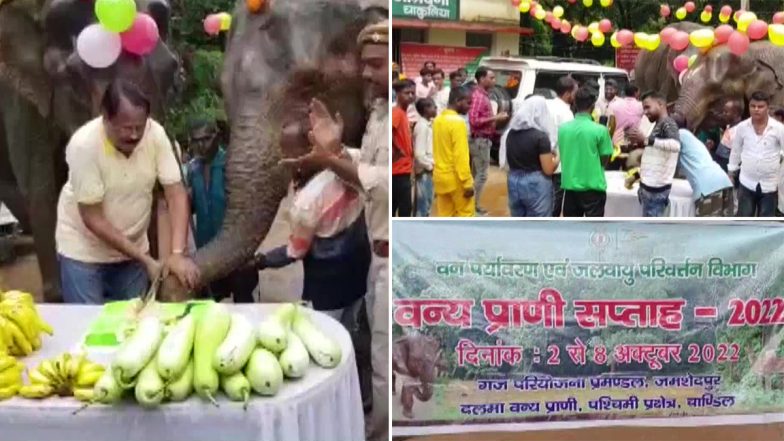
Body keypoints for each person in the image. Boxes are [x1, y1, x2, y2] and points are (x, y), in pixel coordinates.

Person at [279, 20, 390, 441]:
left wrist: (331, 159)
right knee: (370, 349)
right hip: (369, 262)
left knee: (377, 358)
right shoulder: (379, 113)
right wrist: (339, 151)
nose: (366, 73)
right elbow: (366, 166)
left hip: (382, 257)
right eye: (365, 64)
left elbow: (380, 178)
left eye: (376, 65)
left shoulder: (398, 114)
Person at [55, 80, 198, 303]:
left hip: (133, 251)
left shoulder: (155, 135)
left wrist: (177, 253)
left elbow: (175, 193)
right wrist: (146, 260)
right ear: (106, 118)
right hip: (84, 253)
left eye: (139, 127)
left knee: (134, 324)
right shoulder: (84, 146)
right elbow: (93, 218)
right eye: (126, 128)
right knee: (88, 327)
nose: (133, 135)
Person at [185, 119, 258, 303]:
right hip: (207, 251)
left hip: (233, 251)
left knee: (243, 303)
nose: (201, 145)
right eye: (196, 141)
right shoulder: (193, 169)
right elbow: (192, 207)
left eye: (206, 139)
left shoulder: (232, 165)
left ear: (217, 138)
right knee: (207, 305)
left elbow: (248, 210)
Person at [558, 87, 614, 217]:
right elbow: (604, 159)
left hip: (570, 189)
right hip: (593, 189)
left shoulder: (563, 129)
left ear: (575, 104)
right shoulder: (600, 130)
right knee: (593, 231)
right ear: (593, 106)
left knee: (572, 232)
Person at [500, 96, 559, 217]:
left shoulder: (511, 133)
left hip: (513, 180)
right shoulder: (541, 137)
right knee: (538, 226)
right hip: (535, 184)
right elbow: (548, 170)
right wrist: (558, 157)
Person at [729, 91, 784, 217]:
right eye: (753, 106)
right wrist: (731, 173)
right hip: (747, 182)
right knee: (744, 219)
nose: (756, 110)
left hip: (770, 185)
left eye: (760, 107)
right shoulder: (742, 127)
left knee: (766, 224)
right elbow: (736, 150)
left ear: (767, 108)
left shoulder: (778, 129)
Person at [626, 92, 681, 217]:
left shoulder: (668, 123)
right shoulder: (658, 124)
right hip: (648, 188)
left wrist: (646, 140)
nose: (645, 112)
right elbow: (654, 155)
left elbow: (676, 146)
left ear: (660, 104)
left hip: (656, 191)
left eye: (647, 107)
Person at [468, 67, 508, 215]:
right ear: (482, 79)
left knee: (477, 174)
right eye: (491, 77)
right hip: (479, 140)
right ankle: (472, 206)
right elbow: (474, 120)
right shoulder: (478, 96)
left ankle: (472, 205)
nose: (494, 80)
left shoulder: (484, 95)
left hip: (484, 139)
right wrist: (495, 118)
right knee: (481, 174)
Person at [674, 124, 734, 217]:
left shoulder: (679, 135)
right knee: (725, 229)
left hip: (707, 188)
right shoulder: (691, 139)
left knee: (707, 229)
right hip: (723, 181)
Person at [433, 86, 475, 217]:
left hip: (440, 177)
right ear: (458, 101)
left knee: (445, 216)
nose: (470, 106)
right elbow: (461, 155)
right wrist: (467, 182)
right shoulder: (458, 123)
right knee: (465, 215)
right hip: (456, 179)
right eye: (468, 102)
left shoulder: (438, 120)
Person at [546, 76, 578, 216]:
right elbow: (570, 141)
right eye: (575, 92)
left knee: (545, 201)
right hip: (559, 165)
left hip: (543, 161)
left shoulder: (547, 105)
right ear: (567, 94)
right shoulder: (567, 113)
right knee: (555, 203)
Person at [392, 79, 415, 217]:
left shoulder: (403, 114)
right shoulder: (397, 113)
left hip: (404, 169)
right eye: (407, 93)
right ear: (398, 94)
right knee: (404, 210)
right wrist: (397, 150)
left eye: (413, 93)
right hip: (398, 171)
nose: (411, 96)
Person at [413, 98, 436, 217]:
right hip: (424, 171)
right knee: (423, 205)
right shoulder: (422, 127)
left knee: (427, 202)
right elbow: (419, 154)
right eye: (433, 106)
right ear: (426, 109)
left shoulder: (428, 125)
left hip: (428, 170)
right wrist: (430, 166)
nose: (436, 109)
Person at [607, 83, 643, 151]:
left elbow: (609, 124)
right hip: (634, 144)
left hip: (617, 142)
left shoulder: (613, 105)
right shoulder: (641, 106)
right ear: (636, 93)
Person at [715, 97, 744, 172]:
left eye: (726, 112)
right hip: (720, 163)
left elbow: (736, 156)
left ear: (735, 114)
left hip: (726, 167)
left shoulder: (738, 131)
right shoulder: (730, 125)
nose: (723, 114)